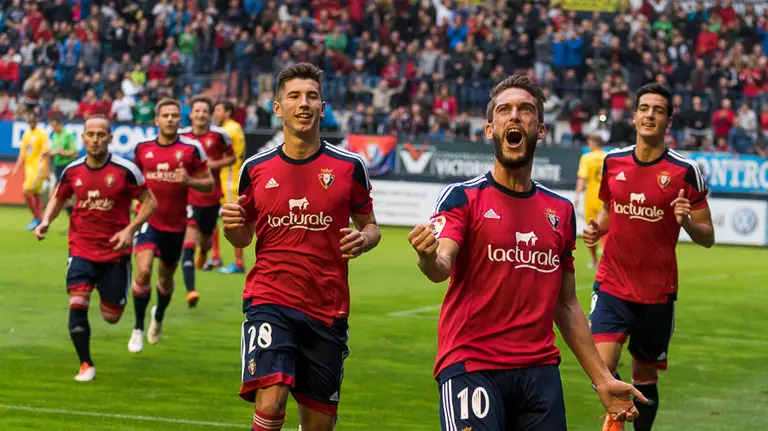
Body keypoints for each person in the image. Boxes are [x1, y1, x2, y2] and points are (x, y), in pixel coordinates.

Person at [407, 75, 646, 431]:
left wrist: (602, 379)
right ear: (490, 129)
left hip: (539, 373)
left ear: (542, 129)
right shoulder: (463, 196)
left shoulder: (560, 211)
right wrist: (428, 257)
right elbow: (442, 264)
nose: (514, 116)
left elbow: (566, 304)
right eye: (504, 110)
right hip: (473, 366)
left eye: (525, 110)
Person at [221, 63, 381, 431]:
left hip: (328, 307)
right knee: (272, 397)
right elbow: (244, 236)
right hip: (270, 298)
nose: (303, 103)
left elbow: (371, 226)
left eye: (312, 96)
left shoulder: (349, 166)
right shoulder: (256, 168)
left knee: (319, 425)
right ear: (278, 108)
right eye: (294, 96)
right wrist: (231, 230)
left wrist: (364, 239)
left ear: (323, 108)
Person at [583, 83, 714, 431]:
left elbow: (708, 237)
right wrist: (597, 227)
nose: (650, 115)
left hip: (656, 291)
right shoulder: (613, 161)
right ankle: (615, 416)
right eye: (644, 108)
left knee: (644, 374)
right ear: (634, 115)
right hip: (612, 282)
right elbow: (611, 211)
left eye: (658, 110)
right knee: (601, 364)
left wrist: (686, 221)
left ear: (668, 120)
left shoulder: (686, 171)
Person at [34, 115, 157, 381]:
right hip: (81, 248)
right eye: (90, 134)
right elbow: (58, 198)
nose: (95, 139)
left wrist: (130, 229)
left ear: (110, 139)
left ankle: (112, 295)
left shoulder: (126, 170)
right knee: (77, 302)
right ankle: (85, 364)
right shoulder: (72, 170)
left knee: (112, 316)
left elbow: (149, 202)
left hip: (115, 252)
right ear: (83, 138)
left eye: (101, 135)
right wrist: (45, 221)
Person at [127, 99, 214, 353]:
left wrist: (188, 180)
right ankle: (138, 327)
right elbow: (132, 184)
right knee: (143, 271)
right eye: (165, 115)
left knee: (165, 281)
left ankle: (159, 316)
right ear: (156, 120)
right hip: (147, 220)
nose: (170, 119)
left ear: (180, 119)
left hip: (175, 225)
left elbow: (209, 184)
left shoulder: (191, 149)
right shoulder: (142, 149)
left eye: (175, 115)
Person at [178, 96, 235, 307]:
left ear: (209, 114)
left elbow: (232, 157)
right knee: (189, 242)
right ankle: (191, 291)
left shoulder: (220, 136)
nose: (201, 114)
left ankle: (204, 252)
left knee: (205, 240)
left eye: (204, 111)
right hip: (189, 196)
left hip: (211, 197)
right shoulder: (181, 136)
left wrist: (214, 163)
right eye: (197, 111)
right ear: (191, 114)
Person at [207, 100, 246, 273]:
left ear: (228, 112)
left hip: (230, 179)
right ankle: (215, 257)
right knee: (214, 218)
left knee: (232, 220)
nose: (215, 113)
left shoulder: (229, 129)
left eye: (218, 109)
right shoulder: (233, 128)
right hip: (223, 178)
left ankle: (238, 263)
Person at [574, 134, 608, 268]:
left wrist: (577, 196)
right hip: (605, 198)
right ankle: (605, 258)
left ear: (593, 143)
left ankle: (594, 260)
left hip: (592, 198)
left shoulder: (587, 158)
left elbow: (582, 178)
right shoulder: (608, 157)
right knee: (608, 229)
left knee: (591, 230)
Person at [12, 112, 50, 230]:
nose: (32, 123)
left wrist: (46, 169)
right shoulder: (26, 135)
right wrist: (16, 168)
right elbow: (23, 154)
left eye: (34, 121)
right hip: (29, 168)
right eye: (30, 121)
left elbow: (46, 153)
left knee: (26, 191)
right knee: (36, 194)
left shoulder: (42, 134)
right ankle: (41, 220)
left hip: (38, 167)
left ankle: (37, 218)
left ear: (37, 121)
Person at [48, 115, 80, 227]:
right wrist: (51, 153)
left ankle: (47, 222)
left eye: (54, 126)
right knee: (63, 198)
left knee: (56, 194)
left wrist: (62, 153)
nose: (53, 129)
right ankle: (74, 223)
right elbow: (53, 151)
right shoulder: (54, 136)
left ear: (59, 124)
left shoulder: (68, 135)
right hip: (58, 167)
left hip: (66, 167)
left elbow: (75, 153)